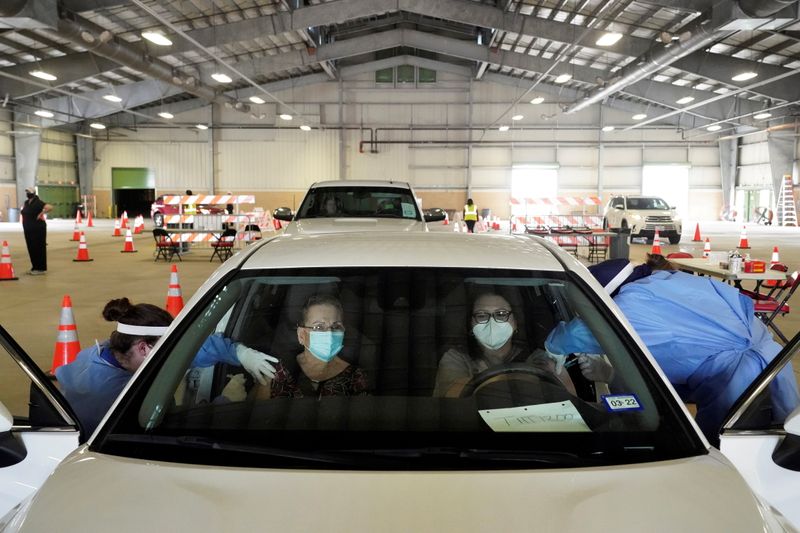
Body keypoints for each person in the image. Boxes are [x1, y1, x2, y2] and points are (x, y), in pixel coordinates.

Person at [545, 257, 800, 446]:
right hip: (774, 362)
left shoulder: (630, 305)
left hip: (736, 380)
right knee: (785, 441)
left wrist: (550, 348)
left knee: (729, 454)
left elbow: (580, 333)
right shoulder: (673, 280)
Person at [56, 298, 279, 434]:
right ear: (144, 348)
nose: (172, 354)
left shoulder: (107, 352)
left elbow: (185, 351)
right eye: (167, 347)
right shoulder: (121, 396)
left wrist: (239, 353)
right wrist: (227, 402)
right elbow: (173, 427)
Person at [433, 292, 614, 397]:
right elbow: (452, 397)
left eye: (501, 314)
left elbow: (569, 399)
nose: (492, 322)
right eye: (481, 315)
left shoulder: (538, 357)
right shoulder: (455, 358)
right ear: (471, 325)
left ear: (515, 322)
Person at [219, 294, 369, 398]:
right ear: (301, 335)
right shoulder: (277, 370)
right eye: (319, 327)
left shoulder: (356, 377)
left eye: (336, 326)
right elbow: (255, 418)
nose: (329, 333)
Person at [20, 187, 51, 275]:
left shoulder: (38, 202)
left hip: (38, 228)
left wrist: (42, 213)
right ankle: (35, 267)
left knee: (38, 247)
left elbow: (50, 207)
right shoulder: (26, 202)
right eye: (26, 192)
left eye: (29, 192)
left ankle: (40, 268)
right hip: (28, 228)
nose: (27, 193)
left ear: (33, 193)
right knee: (31, 248)